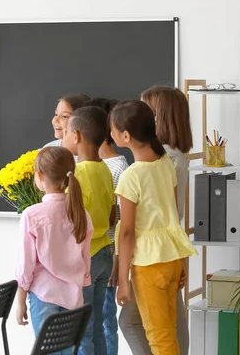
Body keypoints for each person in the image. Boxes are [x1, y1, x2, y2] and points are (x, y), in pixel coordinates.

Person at [110, 100, 197, 355]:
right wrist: (181, 259)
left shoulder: (131, 176)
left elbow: (126, 233)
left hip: (149, 265)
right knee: (169, 334)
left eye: (113, 130)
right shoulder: (166, 164)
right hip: (170, 259)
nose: (111, 134)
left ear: (125, 136)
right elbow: (171, 216)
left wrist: (124, 280)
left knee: (160, 340)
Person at [15, 146, 94, 355]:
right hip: (74, 296)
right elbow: (85, 260)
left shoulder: (32, 215)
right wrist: (82, 287)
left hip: (44, 296)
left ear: (40, 176)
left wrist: (20, 301)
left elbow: (26, 265)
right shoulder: (81, 213)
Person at [63, 106, 115, 355]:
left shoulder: (77, 173)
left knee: (82, 329)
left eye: (65, 132)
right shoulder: (104, 168)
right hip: (105, 252)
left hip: (86, 257)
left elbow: (66, 215)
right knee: (97, 328)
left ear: (76, 136)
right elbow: (113, 213)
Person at [85, 97, 129, 355]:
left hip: (107, 254)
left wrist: (118, 260)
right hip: (97, 253)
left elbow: (122, 219)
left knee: (104, 320)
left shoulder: (117, 166)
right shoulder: (93, 167)